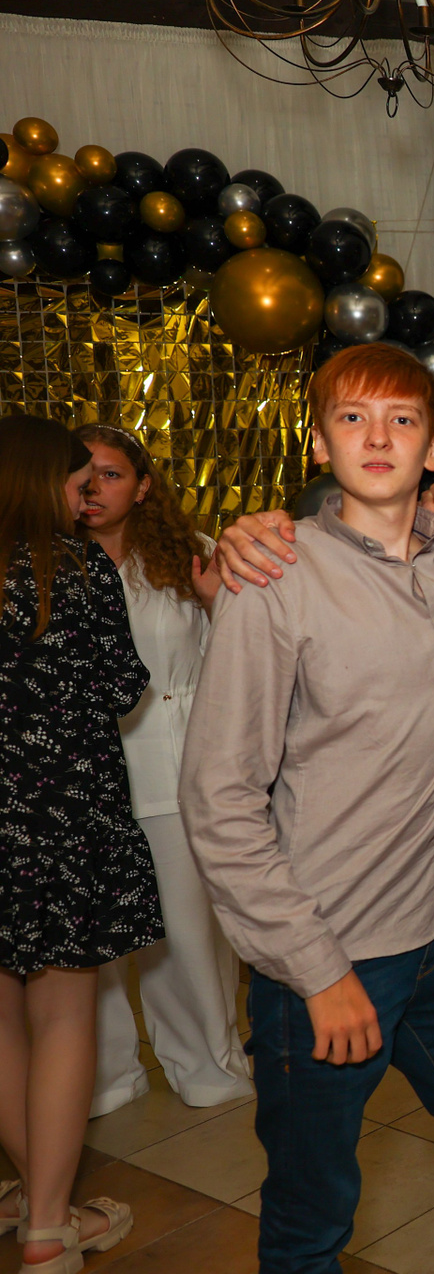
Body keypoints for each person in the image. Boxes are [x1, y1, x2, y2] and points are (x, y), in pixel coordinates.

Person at [180, 344, 434, 1274]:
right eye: (353, 418)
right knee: (312, 1221)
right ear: (318, 441)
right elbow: (219, 798)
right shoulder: (275, 576)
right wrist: (316, 970)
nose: (377, 438)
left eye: (402, 421)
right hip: (331, 947)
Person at [0, 412, 153, 1273]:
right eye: (74, 480)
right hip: (64, 817)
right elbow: (124, 683)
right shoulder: (74, 567)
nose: (83, 495)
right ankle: (51, 1229)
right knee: (63, 1016)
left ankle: (36, 1193)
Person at [72, 425, 253, 1118]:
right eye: (84, 473)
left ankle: (209, 1065)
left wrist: (213, 602)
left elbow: (243, 660)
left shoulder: (190, 554)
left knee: (187, 932)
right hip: (83, 773)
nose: (95, 487)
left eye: (112, 474)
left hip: (179, 763)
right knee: (94, 938)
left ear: (144, 486)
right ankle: (105, 1075)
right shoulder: (44, 563)